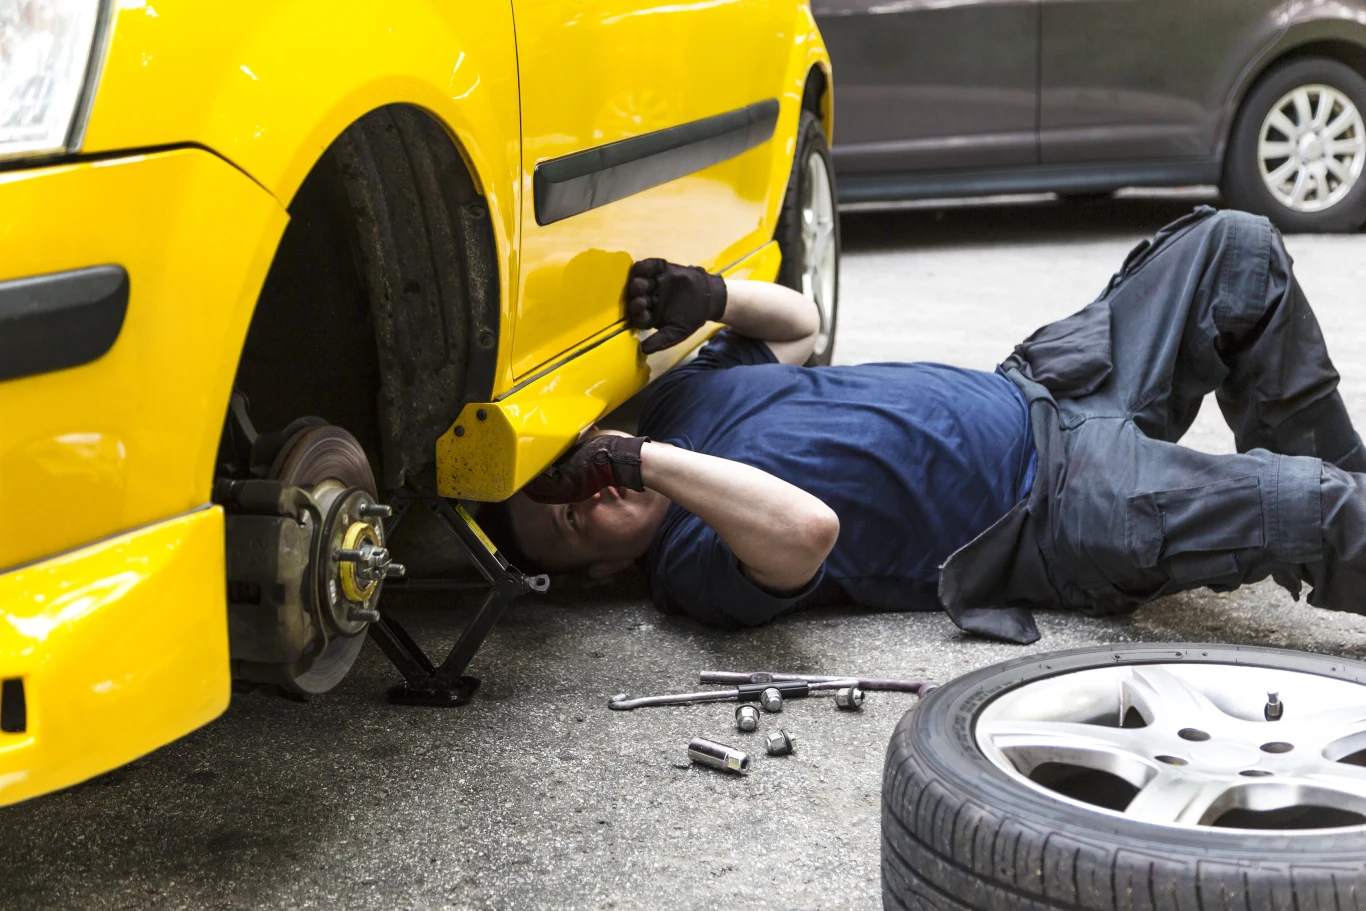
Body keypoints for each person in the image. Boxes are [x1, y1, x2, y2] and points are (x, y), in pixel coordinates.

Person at [486, 207, 1366, 644]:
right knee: (1309, 510)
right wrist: (642, 461)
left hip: (1050, 388)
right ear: (599, 570)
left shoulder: (687, 401)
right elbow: (806, 531)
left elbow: (798, 326)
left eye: (570, 477)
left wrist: (710, 297)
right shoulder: (690, 567)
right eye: (575, 519)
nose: (594, 491)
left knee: (1236, 245)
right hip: (1057, 508)